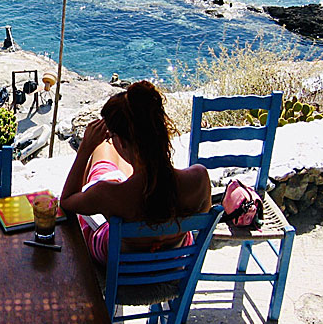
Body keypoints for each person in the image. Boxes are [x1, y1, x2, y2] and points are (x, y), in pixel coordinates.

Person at [60, 81, 211, 265]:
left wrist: (85, 150)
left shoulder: (108, 194)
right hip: (173, 257)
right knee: (122, 176)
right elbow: (198, 222)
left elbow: (67, 201)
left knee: (103, 160)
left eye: (113, 136)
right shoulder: (198, 179)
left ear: (122, 142)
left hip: (121, 260)